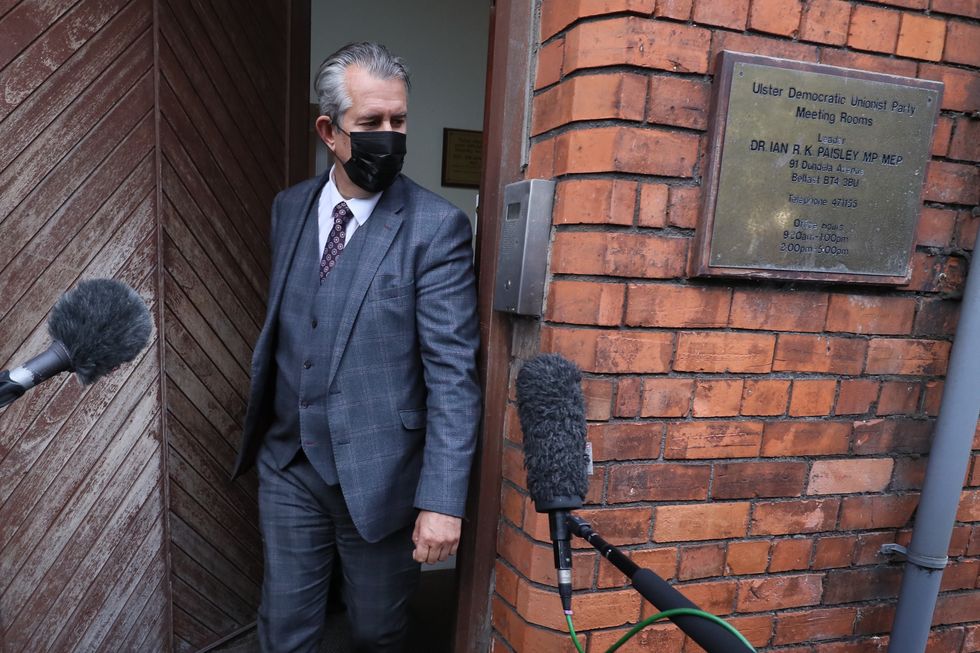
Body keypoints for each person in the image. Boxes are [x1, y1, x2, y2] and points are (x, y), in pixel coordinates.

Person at [232, 41, 481, 653]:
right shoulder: (289, 209)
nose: (389, 136)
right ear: (330, 131)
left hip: (382, 476)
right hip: (290, 464)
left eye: (399, 121)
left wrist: (442, 502)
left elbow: (453, 375)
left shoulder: (435, 228)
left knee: (376, 633)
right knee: (283, 628)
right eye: (371, 123)